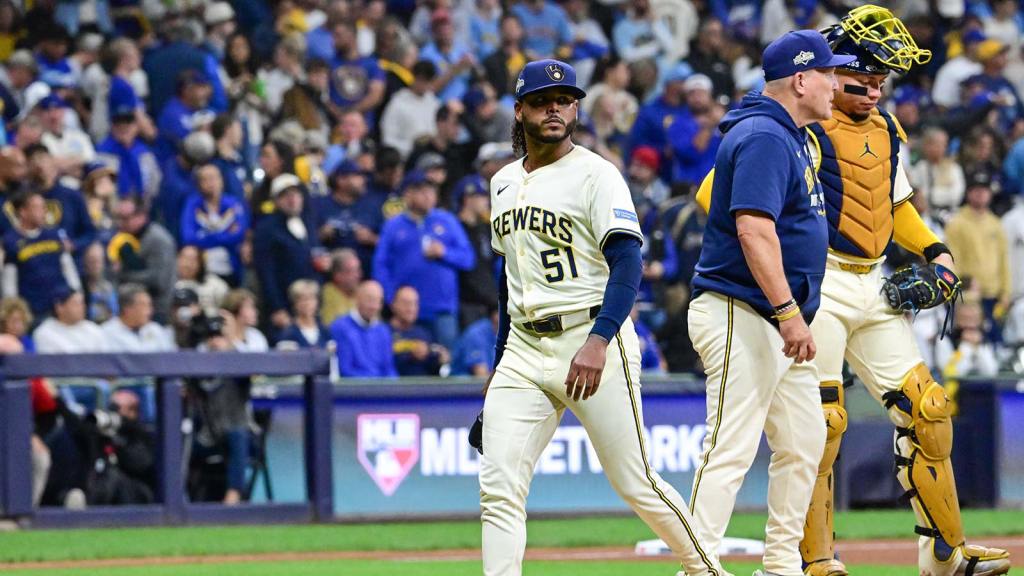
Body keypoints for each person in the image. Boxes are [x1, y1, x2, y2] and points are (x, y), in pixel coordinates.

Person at [476, 59, 727, 576]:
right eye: (543, 100)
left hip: (590, 334)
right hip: (524, 348)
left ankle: (706, 571)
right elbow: (509, 284)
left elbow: (628, 262)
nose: (555, 109)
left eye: (564, 100)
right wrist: (499, 369)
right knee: (498, 487)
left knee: (635, 480)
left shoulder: (596, 173)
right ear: (520, 111)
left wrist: (599, 340)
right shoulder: (501, 182)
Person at [780, 9, 1008, 576]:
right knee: (823, 424)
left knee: (929, 410)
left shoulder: (886, 130)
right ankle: (815, 560)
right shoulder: (795, 122)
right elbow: (723, 194)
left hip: (875, 280)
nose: (879, 88)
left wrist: (938, 253)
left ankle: (945, 556)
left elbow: (896, 204)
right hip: (819, 280)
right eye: (871, 75)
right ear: (842, 70)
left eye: (886, 78)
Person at [686, 30, 851, 576]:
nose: (836, 83)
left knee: (805, 440)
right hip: (744, 309)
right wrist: (787, 313)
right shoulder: (764, 135)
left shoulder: (794, 134)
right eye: (828, 73)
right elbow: (754, 229)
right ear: (801, 79)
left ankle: (780, 566)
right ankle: (697, 567)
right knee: (729, 447)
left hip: (776, 317)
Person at [372, 169, 474, 349]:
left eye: (431, 191)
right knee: (410, 361)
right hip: (406, 312)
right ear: (407, 194)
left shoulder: (447, 220)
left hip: (442, 309)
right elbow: (380, 265)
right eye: (421, 191)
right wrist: (390, 298)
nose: (428, 196)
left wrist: (444, 252)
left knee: (446, 362)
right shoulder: (393, 226)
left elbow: (468, 259)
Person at [1, 190, 82, 318]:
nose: (43, 212)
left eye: (44, 207)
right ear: (23, 212)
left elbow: (68, 266)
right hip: (33, 308)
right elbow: (9, 280)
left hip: (61, 304)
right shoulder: (11, 241)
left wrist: (77, 291)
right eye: (37, 207)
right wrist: (14, 307)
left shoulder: (53, 234)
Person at [329, 279, 396, 377]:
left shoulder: (383, 331)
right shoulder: (340, 327)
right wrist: (375, 384)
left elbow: (388, 369)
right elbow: (344, 370)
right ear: (357, 298)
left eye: (378, 301)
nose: (374, 306)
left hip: (381, 389)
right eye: (370, 300)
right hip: (354, 389)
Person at [389, 285, 448, 376]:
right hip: (392, 387)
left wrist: (441, 361)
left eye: (414, 303)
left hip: (423, 387)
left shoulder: (424, 334)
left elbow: (436, 371)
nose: (411, 309)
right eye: (406, 303)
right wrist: (410, 356)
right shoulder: (383, 332)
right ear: (393, 305)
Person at [101, 283, 176, 352]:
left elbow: (170, 360)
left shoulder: (156, 330)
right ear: (127, 308)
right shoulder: (105, 333)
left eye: (149, 305)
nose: (150, 311)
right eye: (144, 305)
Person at [276, 279, 330, 348]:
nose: (307, 303)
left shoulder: (325, 331)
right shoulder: (288, 333)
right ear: (294, 303)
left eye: (311, 298)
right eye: (302, 299)